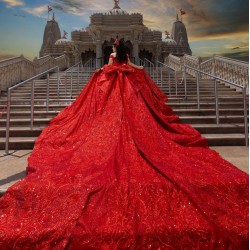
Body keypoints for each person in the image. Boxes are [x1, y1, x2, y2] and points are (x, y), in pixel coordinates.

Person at [0, 38, 248, 249]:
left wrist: (101, 71)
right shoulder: (127, 59)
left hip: (112, 88)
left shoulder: (110, 58)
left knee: (109, 118)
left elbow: (105, 70)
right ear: (125, 50)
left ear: (113, 50)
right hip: (128, 88)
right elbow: (136, 68)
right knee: (135, 118)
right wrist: (136, 69)